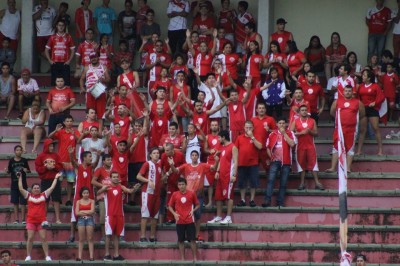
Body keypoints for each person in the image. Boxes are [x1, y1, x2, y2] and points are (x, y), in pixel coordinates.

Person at [170, 150, 218, 241]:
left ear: (198, 157)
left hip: (199, 195)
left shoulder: (203, 166)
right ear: (190, 157)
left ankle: (196, 235)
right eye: (193, 155)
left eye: (196, 155)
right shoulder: (186, 166)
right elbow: (175, 171)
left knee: (198, 216)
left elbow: (213, 168)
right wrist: (172, 165)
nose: (194, 156)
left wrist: (217, 161)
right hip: (187, 196)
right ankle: (186, 235)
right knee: (185, 216)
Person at [19, 171, 61, 262]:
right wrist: (19, 178)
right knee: (30, 238)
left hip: (42, 221)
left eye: (38, 188)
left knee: (43, 238)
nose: (37, 189)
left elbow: (52, 187)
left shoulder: (44, 195)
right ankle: (28, 256)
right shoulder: (28, 196)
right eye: (35, 188)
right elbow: (21, 188)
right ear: (32, 189)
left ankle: (47, 256)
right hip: (31, 220)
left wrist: (56, 178)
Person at [97, 171, 139, 261]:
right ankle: (107, 255)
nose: (116, 178)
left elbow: (130, 191)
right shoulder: (107, 188)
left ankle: (116, 255)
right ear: (110, 178)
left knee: (117, 235)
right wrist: (103, 188)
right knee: (108, 235)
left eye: (117, 176)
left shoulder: (121, 187)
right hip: (110, 215)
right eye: (114, 177)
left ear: (119, 178)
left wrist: (134, 188)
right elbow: (98, 193)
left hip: (120, 215)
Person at [326, 85, 366, 173]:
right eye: (346, 91)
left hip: (352, 129)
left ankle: (347, 168)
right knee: (336, 147)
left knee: (350, 148)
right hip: (339, 129)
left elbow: (362, 114)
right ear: (343, 92)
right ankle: (333, 168)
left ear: (352, 92)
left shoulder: (358, 102)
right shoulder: (337, 101)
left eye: (349, 91)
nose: (347, 92)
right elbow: (332, 112)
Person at [262, 117, 297, 207]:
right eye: (280, 123)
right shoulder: (272, 134)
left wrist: (284, 134)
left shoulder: (290, 133)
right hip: (275, 161)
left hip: (286, 161)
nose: (281, 125)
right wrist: (271, 157)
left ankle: (280, 202)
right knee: (270, 181)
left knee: (283, 183)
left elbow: (292, 144)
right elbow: (268, 147)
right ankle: (267, 201)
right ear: (277, 124)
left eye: (283, 123)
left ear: (286, 124)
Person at [48, 115, 80, 206]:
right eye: (67, 121)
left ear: (73, 122)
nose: (69, 123)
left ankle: (69, 200)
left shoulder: (75, 132)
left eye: (71, 121)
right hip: (60, 161)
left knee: (70, 181)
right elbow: (49, 137)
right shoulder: (61, 132)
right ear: (64, 123)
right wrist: (55, 130)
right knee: (59, 181)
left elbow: (79, 141)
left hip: (71, 161)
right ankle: (57, 199)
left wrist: (74, 134)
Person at [290, 105, 324, 190]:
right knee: (301, 164)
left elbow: (316, 133)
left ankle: (317, 183)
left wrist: (310, 131)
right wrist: (301, 133)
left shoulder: (312, 121)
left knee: (313, 163)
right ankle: (302, 183)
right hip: (300, 146)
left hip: (310, 146)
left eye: (305, 110)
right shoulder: (295, 121)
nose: (304, 111)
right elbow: (290, 133)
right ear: (299, 112)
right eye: (302, 110)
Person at [208, 130, 238, 225]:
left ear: (224, 137)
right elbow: (221, 160)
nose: (218, 139)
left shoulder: (233, 147)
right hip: (221, 175)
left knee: (229, 196)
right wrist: (217, 171)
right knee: (218, 197)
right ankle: (218, 217)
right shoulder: (223, 147)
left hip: (228, 175)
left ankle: (228, 217)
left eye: (219, 137)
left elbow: (236, 162)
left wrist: (234, 175)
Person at [168, 178, 200, 261]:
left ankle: (194, 258)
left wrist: (193, 210)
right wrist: (174, 214)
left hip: (190, 220)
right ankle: (182, 258)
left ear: (186, 185)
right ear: (178, 186)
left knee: (192, 240)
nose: (181, 186)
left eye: (182, 184)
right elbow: (169, 206)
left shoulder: (192, 193)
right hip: (179, 220)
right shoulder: (175, 194)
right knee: (181, 240)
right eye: (179, 185)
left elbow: (197, 205)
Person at [136, 148, 163, 242]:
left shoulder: (159, 165)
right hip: (147, 192)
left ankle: (152, 236)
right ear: (150, 155)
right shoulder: (147, 164)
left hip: (157, 193)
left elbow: (161, 179)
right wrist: (148, 181)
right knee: (145, 215)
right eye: (154, 153)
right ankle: (142, 236)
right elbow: (138, 176)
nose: (156, 154)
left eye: (158, 153)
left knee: (155, 216)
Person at [356, 69, 385, 156]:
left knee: (375, 128)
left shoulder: (375, 86)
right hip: (363, 109)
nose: (362, 77)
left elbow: (381, 97)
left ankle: (380, 150)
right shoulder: (360, 86)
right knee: (362, 130)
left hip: (372, 109)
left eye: (364, 75)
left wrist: (375, 102)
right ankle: (359, 151)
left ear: (369, 78)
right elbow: (358, 98)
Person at [34, 139, 63, 224]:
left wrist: (54, 167)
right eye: (50, 146)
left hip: (55, 180)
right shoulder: (41, 156)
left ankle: (58, 219)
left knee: (56, 199)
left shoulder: (56, 155)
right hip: (45, 180)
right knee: (45, 200)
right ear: (46, 146)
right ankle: (44, 218)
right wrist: (46, 167)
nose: (51, 147)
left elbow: (60, 166)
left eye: (52, 146)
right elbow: (38, 169)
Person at [235, 121, 262, 207]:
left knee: (253, 182)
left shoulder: (256, 136)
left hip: (253, 163)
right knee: (242, 183)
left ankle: (252, 199)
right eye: (247, 127)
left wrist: (252, 137)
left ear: (253, 128)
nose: (248, 129)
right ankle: (242, 199)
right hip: (242, 163)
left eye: (250, 128)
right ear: (244, 128)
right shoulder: (239, 138)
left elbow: (260, 146)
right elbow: (235, 150)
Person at [80, 51, 110, 122]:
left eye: (95, 57)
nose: (94, 59)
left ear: (98, 57)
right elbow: (82, 79)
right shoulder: (87, 68)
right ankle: (90, 130)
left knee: (100, 113)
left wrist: (103, 80)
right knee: (90, 112)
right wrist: (82, 87)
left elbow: (108, 79)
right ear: (90, 59)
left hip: (101, 92)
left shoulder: (103, 67)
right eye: (92, 58)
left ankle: (99, 131)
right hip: (90, 92)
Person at [160, 142, 185, 225]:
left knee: (181, 199)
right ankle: (170, 218)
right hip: (170, 181)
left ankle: (181, 217)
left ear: (172, 150)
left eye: (167, 150)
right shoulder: (163, 156)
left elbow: (184, 166)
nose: (165, 152)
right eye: (165, 150)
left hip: (179, 181)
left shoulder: (180, 155)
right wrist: (164, 176)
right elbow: (160, 168)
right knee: (170, 200)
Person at [44, 19, 75, 86]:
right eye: (59, 25)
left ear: (65, 27)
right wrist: (50, 61)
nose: (61, 27)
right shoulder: (52, 37)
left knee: (66, 84)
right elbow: (46, 50)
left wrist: (69, 60)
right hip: (55, 62)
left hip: (65, 63)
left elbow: (73, 50)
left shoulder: (68, 37)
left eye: (62, 25)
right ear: (56, 26)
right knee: (54, 84)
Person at [91, 154, 112, 242]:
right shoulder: (99, 170)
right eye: (108, 159)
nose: (110, 161)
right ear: (103, 161)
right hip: (102, 197)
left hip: (112, 197)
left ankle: (112, 236)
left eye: (110, 159)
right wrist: (103, 186)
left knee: (112, 217)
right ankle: (104, 236)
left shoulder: (114, 171)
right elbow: (92, 181)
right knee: (103, 218)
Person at [251, 102, 277, 172]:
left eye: (263, 108)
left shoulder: (270, 119)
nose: (261, 110)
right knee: (253, 170)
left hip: (266, 149)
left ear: (265, 110)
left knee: (268, 169)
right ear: (256, 110)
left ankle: (269, 183)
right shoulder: (252, 120)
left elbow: (276, 132)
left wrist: (269, 130)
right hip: (255, 148)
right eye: (259, 108)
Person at [7, 145, 30, 224]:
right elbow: (8, 171)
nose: (19, 151)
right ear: (14, 151)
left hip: (23, 185)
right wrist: (6, 171)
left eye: (20, 150)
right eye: (17, 150)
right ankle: (16, 219)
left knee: (23, 203)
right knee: (15, 202)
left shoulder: (24, 160)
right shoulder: (11, 161)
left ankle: (23, 219)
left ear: (22, 151)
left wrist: (25, 170)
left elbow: (28, 171)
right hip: (14, 185)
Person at [75, 187, 95, 261]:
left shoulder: (92, 201)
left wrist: (82, 212)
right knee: (81, 239)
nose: (86, 194)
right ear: (81, 194)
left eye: (87, 193)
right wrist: (88, 212)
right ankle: (79, 257)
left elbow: (92, 211)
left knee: (90, 238)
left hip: (90, 219)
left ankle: (91, 257)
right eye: (84, 193)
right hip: (81, 220)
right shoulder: (78, 201)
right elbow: (77, 213)